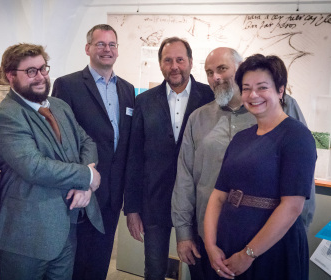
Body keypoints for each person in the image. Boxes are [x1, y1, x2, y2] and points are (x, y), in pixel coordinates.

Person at [171, 47, 316, 279]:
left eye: (222, 68)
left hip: (272, 240)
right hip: (216, 238)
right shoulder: (203, 121)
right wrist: (191, 236)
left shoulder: (291, 126)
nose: (215, 77)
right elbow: (188, 180)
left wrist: (296, 230)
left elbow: (298, 194)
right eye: (209, 72)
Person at [0, 43, 104, 280]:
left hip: (66, 230)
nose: (40, 76)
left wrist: (85, 178)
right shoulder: (6, 116)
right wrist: (88, 177)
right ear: (11, 76)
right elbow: (35, 167)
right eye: (30, 71)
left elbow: (87, 142)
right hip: (26, 236)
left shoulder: (59, 106)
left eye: (43, 69)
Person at [124, 37, 214, 280]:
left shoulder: (210, 98)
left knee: (200, 270)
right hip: (154, 202)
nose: (174, 66)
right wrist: (131, 208)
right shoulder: (144, 101)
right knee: (153, 270)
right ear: (160, 64)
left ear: (191, 62)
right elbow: (134, 157)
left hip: (197, 204)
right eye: (168, 60)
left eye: (180, 60)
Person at [52, 24, 135, 280]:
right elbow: (60, 139)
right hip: (79, 191)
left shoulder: (128, 90)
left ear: (118, 51)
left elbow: (124, 145)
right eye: (100, 44)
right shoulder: (67, 85)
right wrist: (79, 179)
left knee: (100, 260)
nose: (106, 50)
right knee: (75, 261)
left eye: (112, 45)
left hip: (112, 192)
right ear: (87, 48)